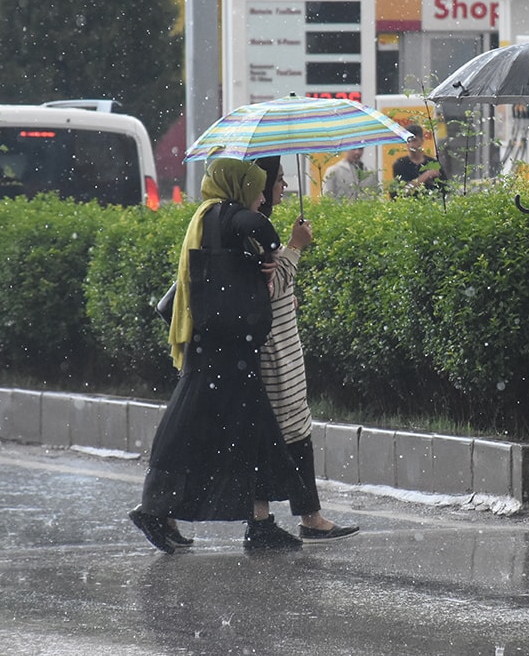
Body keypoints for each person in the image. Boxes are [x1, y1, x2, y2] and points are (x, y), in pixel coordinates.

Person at [129, 157, 310, 553]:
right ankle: (156, 510)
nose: (262, 196)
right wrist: (274, 248)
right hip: (220, 353)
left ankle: (256, 523)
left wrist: (260, 260)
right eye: (257, 188)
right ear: (238, 185)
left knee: (250, 434)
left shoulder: (209, 217)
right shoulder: (222, 213)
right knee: (188, 434)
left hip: (226, 350)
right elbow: (254, 225)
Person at [255, 155, 360, 542]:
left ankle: (302, 516)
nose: (285, 187)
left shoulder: (258, 225)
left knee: (294, 428)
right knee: (286, 431)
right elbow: (268, 287)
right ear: (263, 186)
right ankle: (285, 518)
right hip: (274, 350)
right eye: (279, 180)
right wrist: (296, 247)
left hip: (283, 342)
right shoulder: (253, 228)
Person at [390, 124, 445, 198]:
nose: (411, 145)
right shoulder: (400, 164)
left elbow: (444, 190)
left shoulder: (433, 163)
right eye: (409, 141)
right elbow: (402, 192)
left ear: (422, 140)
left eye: (414, 140)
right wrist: (426, 175)